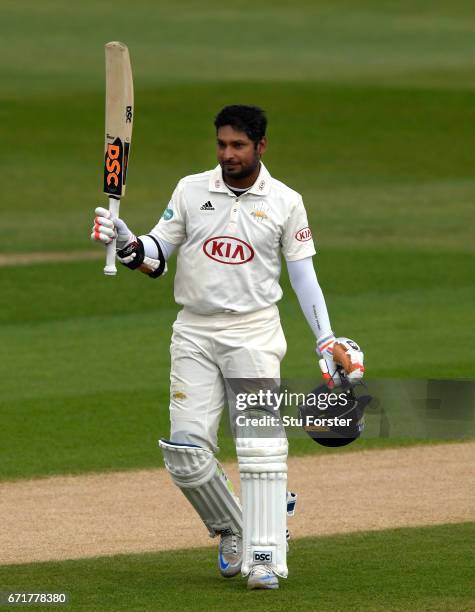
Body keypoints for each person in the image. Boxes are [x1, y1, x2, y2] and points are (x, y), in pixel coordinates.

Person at [91, 105, 364, 590]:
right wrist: (128, 240)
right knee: (185, 455)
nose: (227, 154)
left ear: (261, 146)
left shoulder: (285, 201)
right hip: (193, 332)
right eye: (221, 144)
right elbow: (155, 258)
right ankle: (237, 527)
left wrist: (325, 339)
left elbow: (304, 278)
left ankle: (265, 558)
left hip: (254, 334)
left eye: (238, 146)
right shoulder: (191, 189)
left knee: (260, 450)